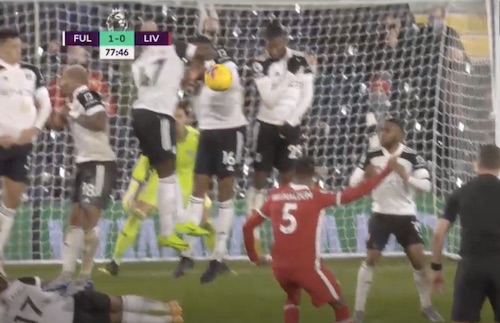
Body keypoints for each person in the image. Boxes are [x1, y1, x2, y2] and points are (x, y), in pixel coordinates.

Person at [242, 155, 398, 323]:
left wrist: (255, 258)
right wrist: (386, 170)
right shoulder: (316, 196)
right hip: (306, 267)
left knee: (292, 297)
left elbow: (247, 227)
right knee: (340, 304)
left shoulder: (275, 196)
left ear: (294, 173)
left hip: (279, 268)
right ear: (313, 175)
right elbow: (357, 193)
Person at [173, 11, 248, 284]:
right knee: (198, 190)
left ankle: (218, 256)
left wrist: (196, 76)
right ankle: (189, 253)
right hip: (208, 132)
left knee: (224, 192)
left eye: (195, 56)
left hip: (230, 132)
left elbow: (220, 81)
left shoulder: (225, 65)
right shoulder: (197, 64)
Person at [99, 102, 216, 276]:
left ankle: (213, 261)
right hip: (159, 181)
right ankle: (114, 262)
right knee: (136, 216)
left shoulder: (196, 138)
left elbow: (207, 162)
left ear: (187, 119)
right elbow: (144, 161)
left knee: (205, 220)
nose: (176, 120)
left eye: (180, 116)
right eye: (173, 116)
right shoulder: (161, 137)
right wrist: (132, 189)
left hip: (188, 183)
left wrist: (207, 182)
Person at [131, 21, 215, 251]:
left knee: (165, 171)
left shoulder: (138, 62)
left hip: (140, 115)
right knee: (168, 172)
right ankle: (174, 227)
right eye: (152, 30)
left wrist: (188, 75)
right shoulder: (173, 47)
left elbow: (164, 83)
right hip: (158, 116)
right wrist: (203, 65)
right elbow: (201, 52)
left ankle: (176, 225)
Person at [350, 118, 443, 322]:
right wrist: (366, 176)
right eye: (382, 130)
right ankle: (358, 312)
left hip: (406, 215)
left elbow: (427, 186)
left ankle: (426, 306)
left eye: (388, 131)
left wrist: (405, 176)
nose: (383, 134)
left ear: (399, 134)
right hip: (380, 214)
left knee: (418, 259)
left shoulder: (411, 156)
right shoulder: (371, 155)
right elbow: (352, 182)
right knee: (371, 257)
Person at [44, 65, 117, 289]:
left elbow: (99, 121)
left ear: (74, 79)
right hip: (84, 163)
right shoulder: (73, 100)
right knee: (75, 218)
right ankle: (66, 274)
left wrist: (73, 114)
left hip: (99, 162)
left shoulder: (86, 94)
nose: (60, 81)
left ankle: (85, 276)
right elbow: (53, 124)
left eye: (63, 77)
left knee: (89, 217)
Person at [246, 20, 315, 254]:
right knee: (259, 178)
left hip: (291, 127)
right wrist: (288, 75)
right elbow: (269, 100)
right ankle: (252, 232)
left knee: (287, 180)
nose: (272, 49)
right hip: (266, 124)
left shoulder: (302, 59)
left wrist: (293, 120)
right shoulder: (259, 63)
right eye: (269, 44)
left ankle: (283, 238)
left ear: (285, 40)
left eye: (276, 44)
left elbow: (308, 95)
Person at [0, 29, 52, 276]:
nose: (17, 51)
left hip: (21, 146)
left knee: (12, 199)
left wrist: (33, 130)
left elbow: (46, 104)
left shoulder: (31, 72)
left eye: (19, 46)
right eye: (12, 46)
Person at [431, 144, 500, 323]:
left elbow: (438, 233)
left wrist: (436, 268)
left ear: (475, 163)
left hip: (471, 265)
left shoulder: (460, 193)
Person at [0, 274, 183, 323]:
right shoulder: (22, 282)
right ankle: (168, 308)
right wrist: (70, 285)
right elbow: (51, 284)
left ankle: (169, 318)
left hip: (71, 319)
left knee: (116, 318)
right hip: (74, 300)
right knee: (116, 302)